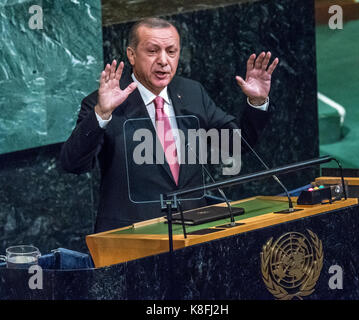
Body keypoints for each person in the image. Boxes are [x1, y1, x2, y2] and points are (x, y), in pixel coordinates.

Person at [60, 17, 279, 233]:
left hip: (192, 232)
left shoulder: (193, 93)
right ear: (132, 55)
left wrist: (257, 103)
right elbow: (73, 164)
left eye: (171, 51)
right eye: (153, 51)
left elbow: (236, 145)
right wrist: (102, 113)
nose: (164, 60)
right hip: (132, 238)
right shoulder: (104, 102)